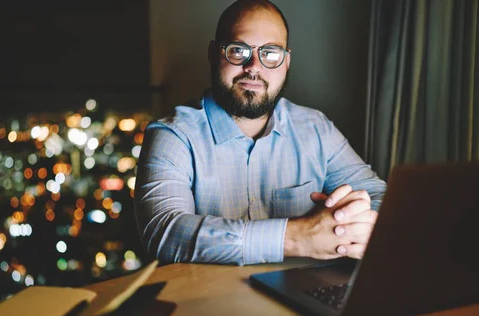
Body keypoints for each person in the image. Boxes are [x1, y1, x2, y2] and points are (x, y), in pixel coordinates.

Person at [134, 0, 387, 266]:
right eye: (238, 50)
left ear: (286, 62)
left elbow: (380, 198)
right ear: (213, 54)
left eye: (271, 53)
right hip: (210, 302)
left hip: (301, 296)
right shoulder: (173, 135)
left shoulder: (316, 129)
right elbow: (164, 233)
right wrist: (298, 237)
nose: (254, 66)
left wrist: (346, 220)